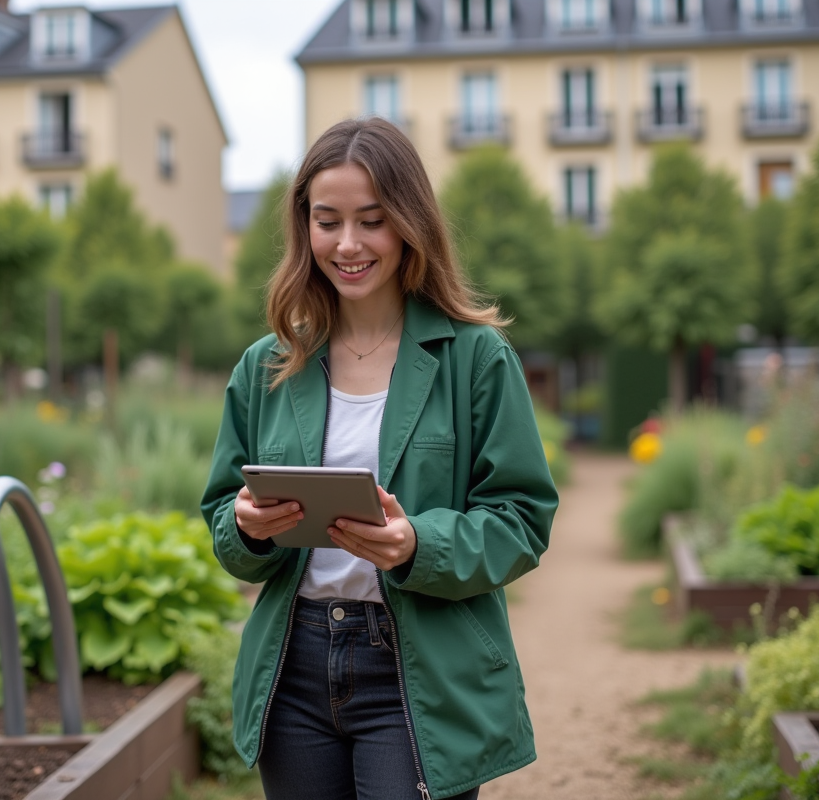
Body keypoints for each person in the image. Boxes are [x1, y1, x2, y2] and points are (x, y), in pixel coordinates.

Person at [201, 117, 559, 800]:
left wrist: (416, 542)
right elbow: (225, 518)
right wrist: (247, 527)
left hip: (418, 666)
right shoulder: (266, 366)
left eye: (372, 220)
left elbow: (521, 520)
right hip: (295, 669)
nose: (348, 243)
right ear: (303, 226)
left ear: (409, 223)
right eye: (327, 220)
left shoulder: (476, 358)